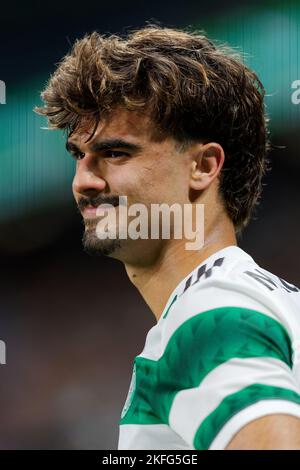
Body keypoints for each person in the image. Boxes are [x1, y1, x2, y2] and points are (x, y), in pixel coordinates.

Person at [35, 25, 300, 450]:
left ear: (204, 166)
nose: (82, 182)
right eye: (78, 157)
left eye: (115, 153)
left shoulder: (209, 314)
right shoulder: (264, 300)